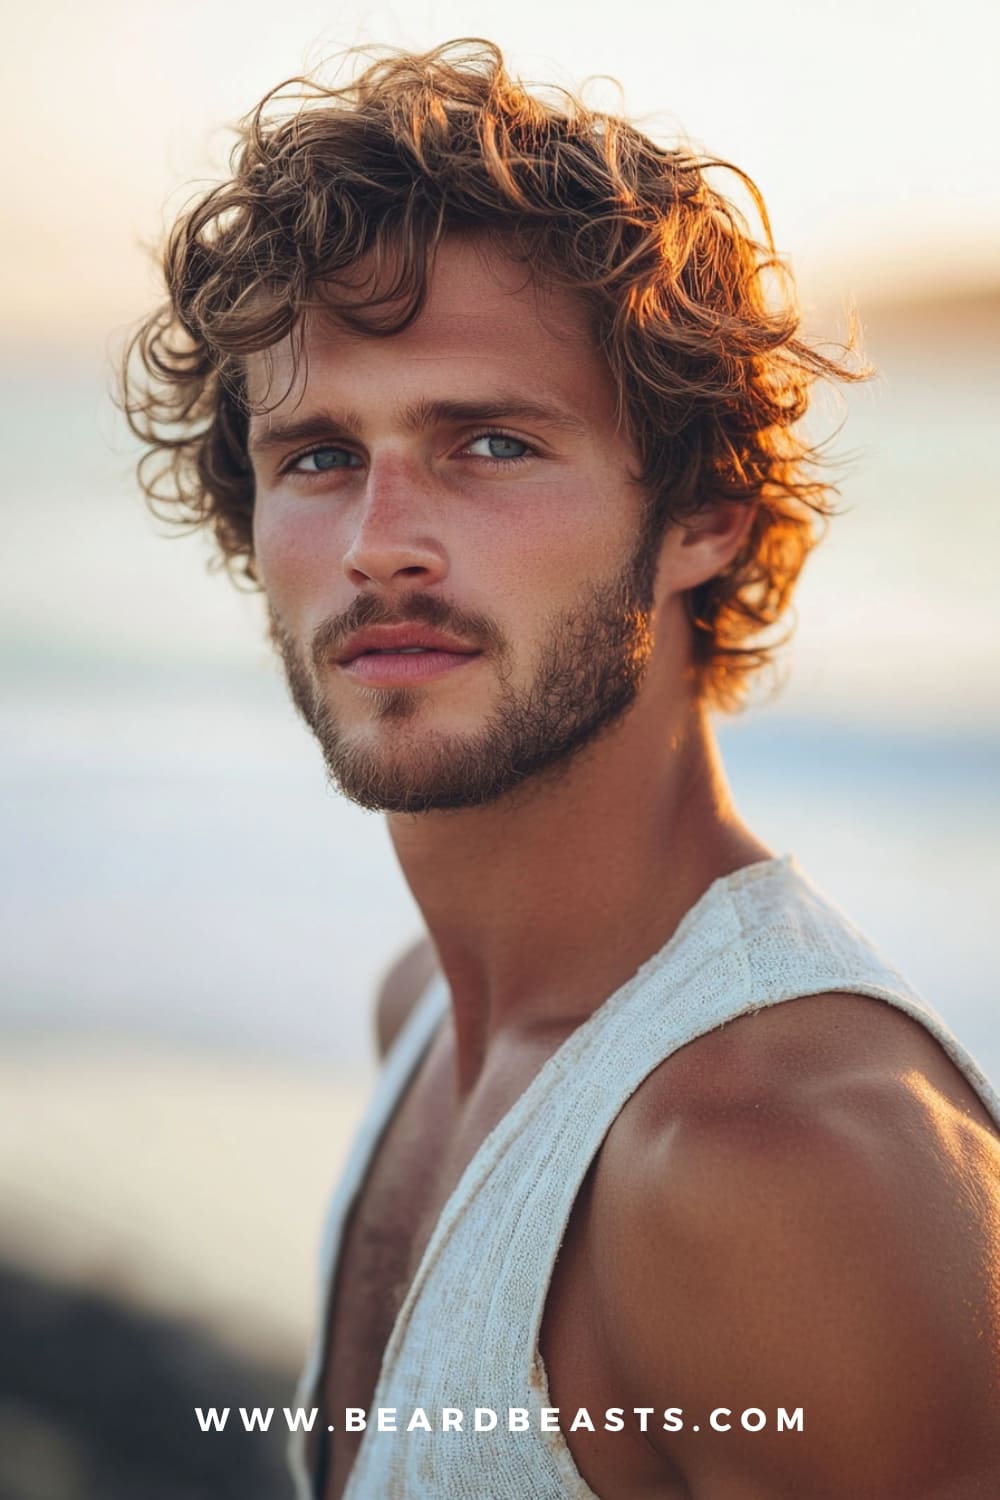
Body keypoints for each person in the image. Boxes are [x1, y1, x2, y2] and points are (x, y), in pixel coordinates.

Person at [123, 39, 1000, 1500]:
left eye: (488, 441)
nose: (378, 540)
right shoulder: (421, 1012)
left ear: (702, 520)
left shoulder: (779, 1164)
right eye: (320, 456)